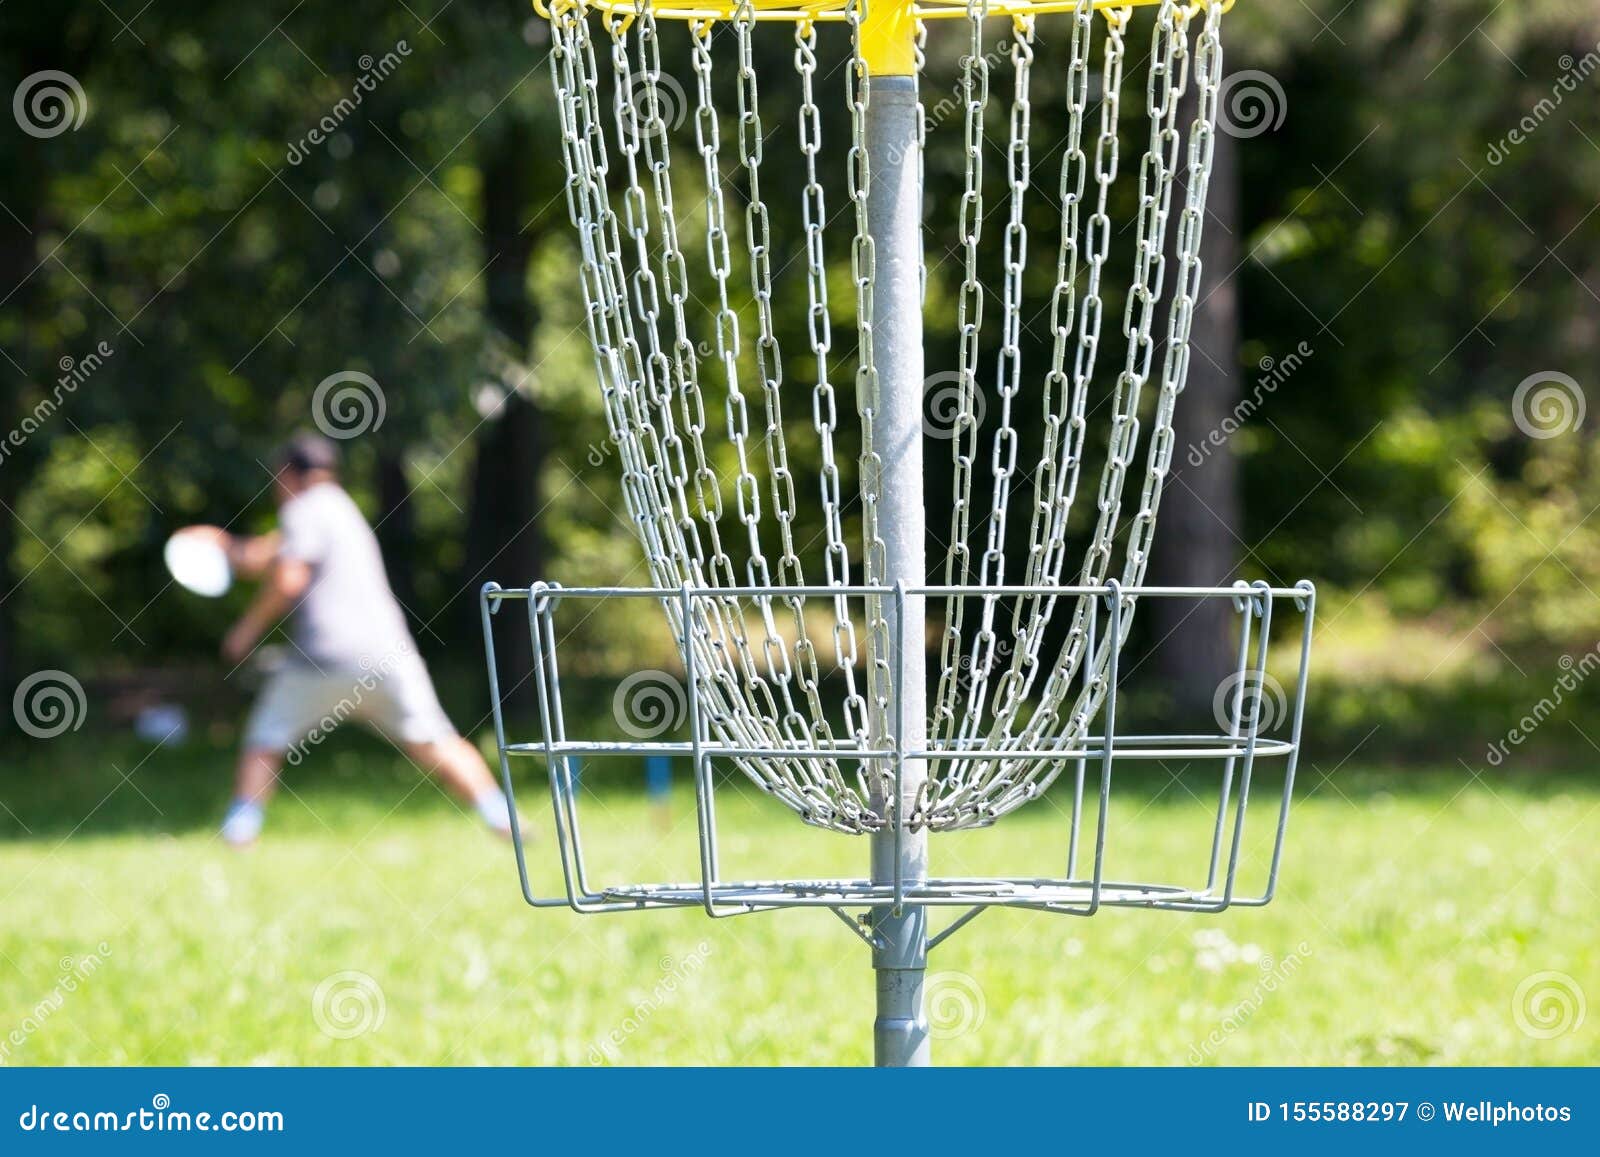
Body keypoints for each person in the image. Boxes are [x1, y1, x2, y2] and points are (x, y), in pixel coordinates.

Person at [215, 431, 515, 847]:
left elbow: (288, 577)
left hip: (325, 658)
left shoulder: (303, 510)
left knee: (264, 741)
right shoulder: (341, 508)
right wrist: (220, 545)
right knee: (436, 739)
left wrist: (243, 633)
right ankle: (502, 818)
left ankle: (238, 832)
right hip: (389, 655)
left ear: (287, 474)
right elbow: (265, 555)